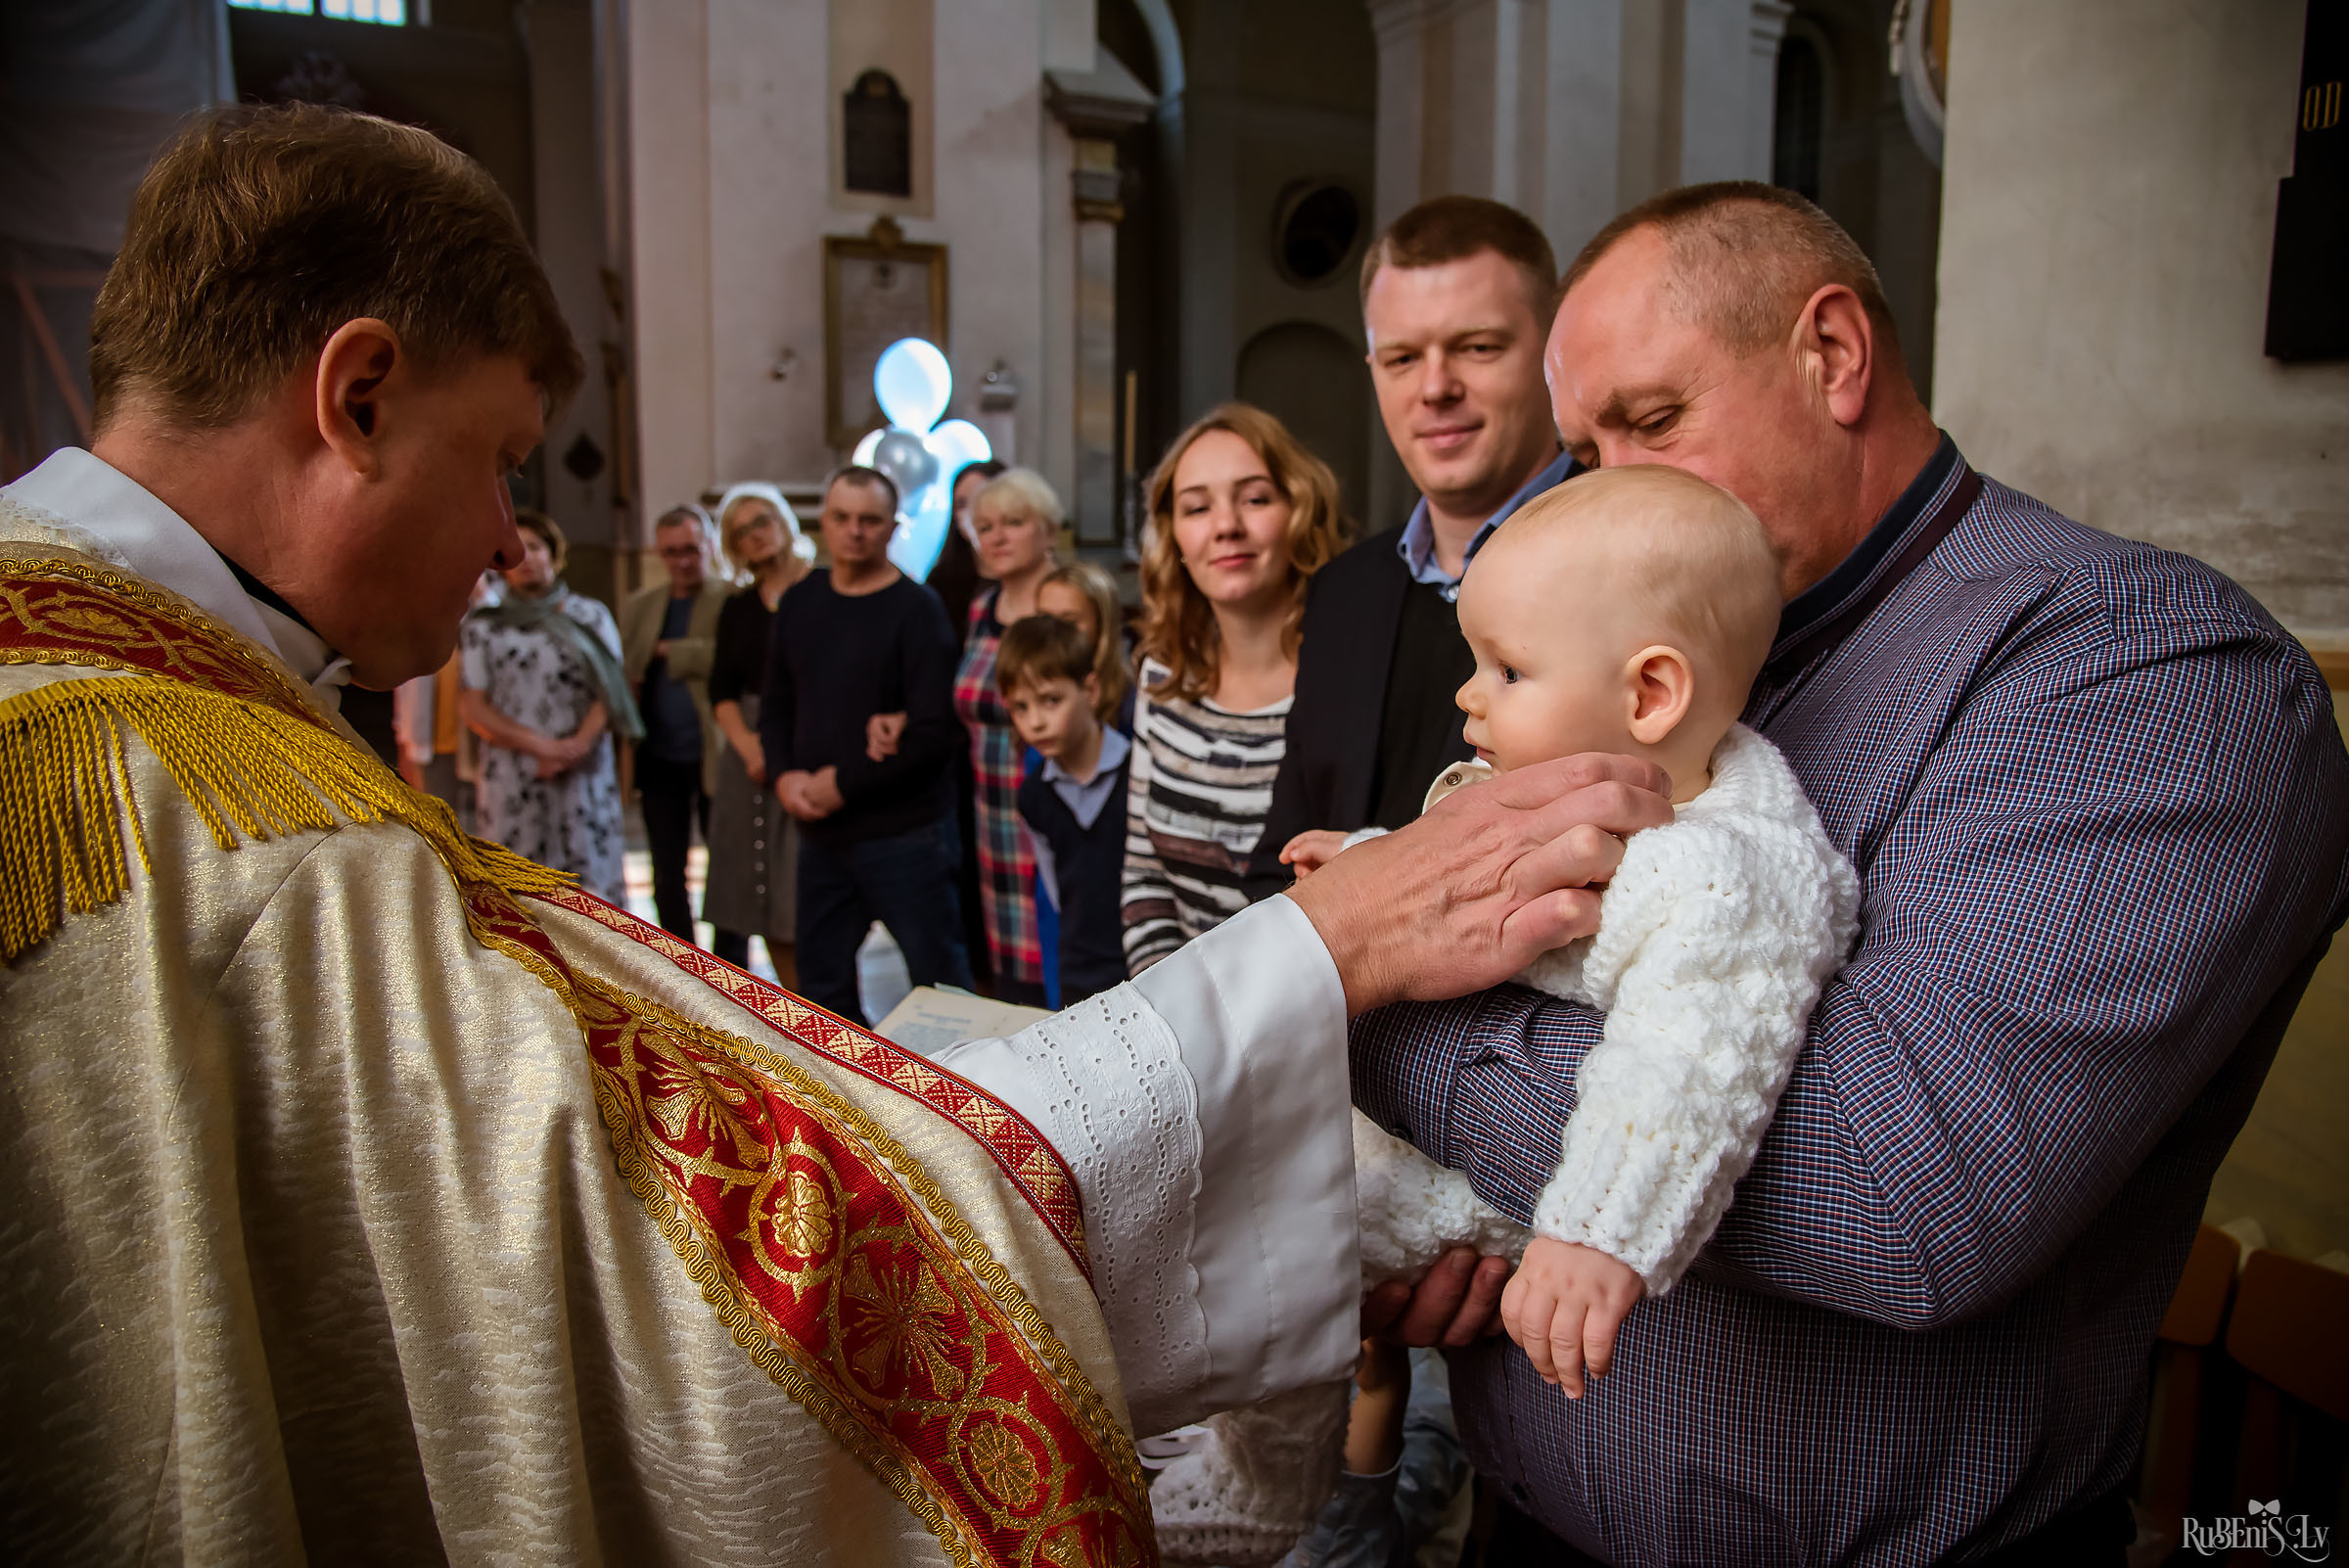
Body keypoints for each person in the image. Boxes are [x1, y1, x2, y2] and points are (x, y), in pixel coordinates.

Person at [0, 103, 1680, 1563]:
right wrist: (1335, 946)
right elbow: (695, 1282)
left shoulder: (128, 704)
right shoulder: (201, 821)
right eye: (504, 457)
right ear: (354, 397)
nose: (517, 525)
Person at [1349, 183, 2349, 1565]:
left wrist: (1379, 1001)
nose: (1614, 485)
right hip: (1519, 1519)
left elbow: (1891, 1194)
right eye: (1584, 448)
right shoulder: (1644, 639)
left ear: (1832, 355)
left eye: (1653, 420)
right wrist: (1455, 1225)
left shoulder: (2143, 675)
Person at [1253, 197, 1578, 892]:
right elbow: (1276, 862)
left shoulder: (1624, 568)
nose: (1435, 388)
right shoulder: (1344, 590)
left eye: (1478, 347)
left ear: (1553, 349)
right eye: (1402, 357)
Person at [1123, 404, 1349, 974]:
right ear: (1173, 534)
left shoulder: (1351, 683)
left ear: (1299, 512)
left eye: (1254, 499)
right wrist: (1171, 1012)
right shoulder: (1162, 675)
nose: (1226, 526)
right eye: (1197, 507)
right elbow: (1143, 872)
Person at [762, 464, 976, 1022]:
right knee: (820, 988)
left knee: (941, 989)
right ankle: (852, 1107)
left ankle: (961, 1103)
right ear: (823, 523)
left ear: (892, 527)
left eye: (870, 520)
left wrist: (842, 782)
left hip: (905, 836)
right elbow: (778, 702)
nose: (855, 531)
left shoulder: (917, 609)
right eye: (842, 518)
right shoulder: (802, 600)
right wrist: (784, 775)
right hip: (821, 834)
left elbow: (934, 733)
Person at [460, 507, 637, 900]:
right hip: (514, 770)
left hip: (583, 768)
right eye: (517, 549)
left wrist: (573, 747)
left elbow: (610, 691)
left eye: (536, 546)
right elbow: (474, 705)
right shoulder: (484, 624)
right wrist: (543, 747)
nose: (527, 557)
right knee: (519, 893)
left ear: (554, 553)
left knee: (590, 893)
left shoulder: (589, 615)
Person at [951, 466, 1065, 1005]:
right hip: (992, 811)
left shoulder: (1067, 604)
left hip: (1057, 800)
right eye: (986, 526)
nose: (996, 537)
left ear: (1046, 529)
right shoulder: (980, 608)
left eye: (1013, 523)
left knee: (1063, 953)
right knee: (1010, 970)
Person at [702, 483, 814, 971]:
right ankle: (789, 1007)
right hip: (749, 755)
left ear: (784, 522)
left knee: (802, 889)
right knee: (757, 893)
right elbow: (721, 690)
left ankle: (830, 1010)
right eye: (741, 531)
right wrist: (751, 749)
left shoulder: (823, 588)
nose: (755, 536)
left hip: (810, 744)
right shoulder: (738, 607)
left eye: (761, 521)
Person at [619, 503, 734, 944]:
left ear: (708, 545)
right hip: (659, 753)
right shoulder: (642, 605)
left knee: (726, 865)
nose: (682, 561)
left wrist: (673, 652)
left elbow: (728, 660)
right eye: (670, 552)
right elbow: (627, 666)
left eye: (690, 549)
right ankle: (683, 962)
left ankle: (732, 967)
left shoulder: (730, 598)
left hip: (713, 751)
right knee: (667, 869)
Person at [1004, 614, 1130, 1006]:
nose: (1035, 722)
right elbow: (1058, 892)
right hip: (1080, 971)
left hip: (1146, 964)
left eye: (1050, 700)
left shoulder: (1141, 773)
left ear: (1090, 690)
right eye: (1020, 708)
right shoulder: (1033, 796)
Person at [1038, 557, 1135, 732]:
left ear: (1101, 625)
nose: (1051, 631)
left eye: (1068, 622)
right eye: (1045, 619)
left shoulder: (1130, 703)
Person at [930, 456, 1006, 648]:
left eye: (980, 500)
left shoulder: (1030, 580)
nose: (972, 513)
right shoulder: (940, 583)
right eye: (962, 505)